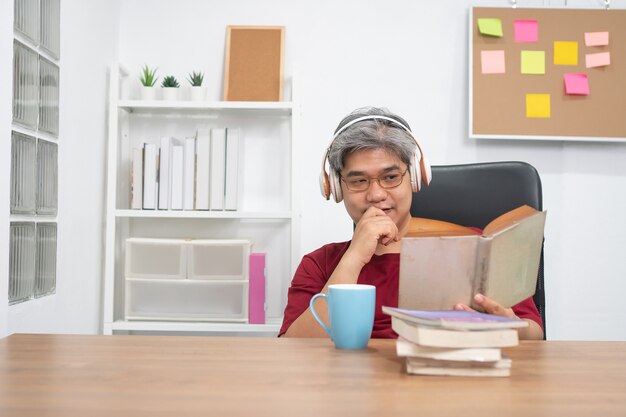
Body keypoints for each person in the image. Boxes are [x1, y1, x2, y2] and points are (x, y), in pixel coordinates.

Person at [279, 106, 544, 340]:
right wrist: (353, 259)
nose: (376, 195)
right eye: (358, 181)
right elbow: (294, 347)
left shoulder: (475, 249)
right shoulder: (320, 264)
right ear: (337, 188)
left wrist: (509, 326)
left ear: (415, 177)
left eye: (391, 177)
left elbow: (533, 332)